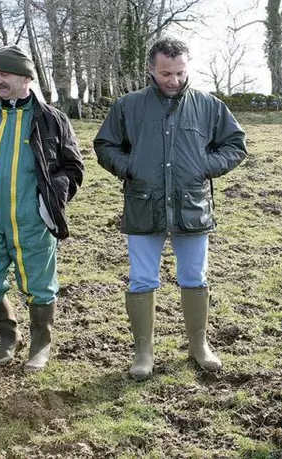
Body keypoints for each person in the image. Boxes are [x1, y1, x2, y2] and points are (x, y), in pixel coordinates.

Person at [94, 37, 247, 380]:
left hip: (191, 206)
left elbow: (236, 145)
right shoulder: (128, 106)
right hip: (143, 205)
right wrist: (130, 167)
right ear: (151, 69)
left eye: (179, 72)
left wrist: (205, 167)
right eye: (166, 73)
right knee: (141, 279)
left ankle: (199, 346)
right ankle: (143, 352)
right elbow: (104, 145)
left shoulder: (209, 105)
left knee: (195, 277)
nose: (173, 80)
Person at [0, 45, 84, 372]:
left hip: (33, 222)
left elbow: (73, 168)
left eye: (4, 74)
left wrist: (49, 200)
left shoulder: (52, 119)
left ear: (26, 77)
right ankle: (9, 336)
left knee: (39, 288)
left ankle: (41, 342)